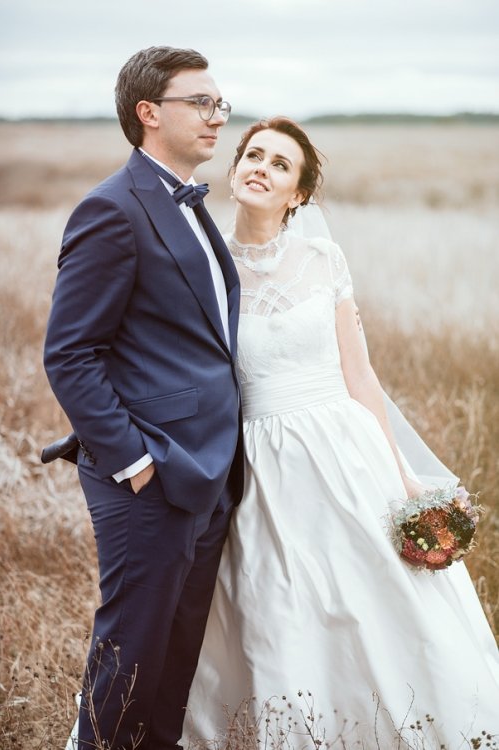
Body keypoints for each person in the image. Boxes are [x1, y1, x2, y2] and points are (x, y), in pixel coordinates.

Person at [183, 118, 499, 748]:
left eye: (280, 164)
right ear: (234, 168)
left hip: (346, 453)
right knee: (279, 606)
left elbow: (361, 376)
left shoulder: (324, 260)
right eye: (253, 155)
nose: (261, 168)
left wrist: (402, 475)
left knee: (378, 600)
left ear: (298, 194)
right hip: (260, 464)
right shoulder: (203, 267)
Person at [43, 46, 243, 750]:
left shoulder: (190, 205)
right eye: (202, 102)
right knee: (130, 657)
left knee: (173, 663)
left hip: (209, 472)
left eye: (220, 103)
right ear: (148, 112)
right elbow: (69, 353)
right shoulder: (112, 209)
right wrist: (134, 461)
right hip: (150, 476)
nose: (218, 117)